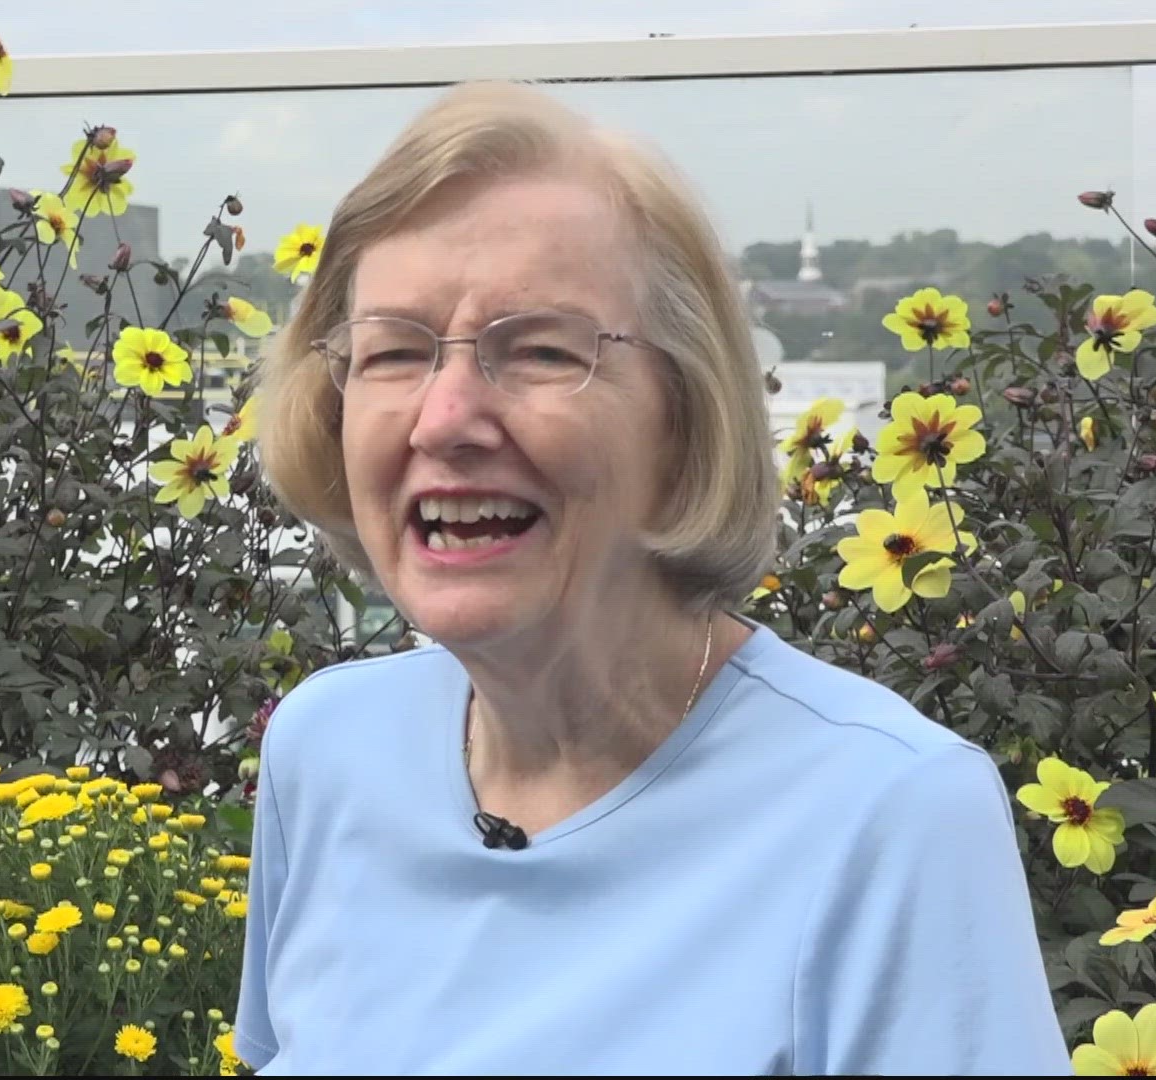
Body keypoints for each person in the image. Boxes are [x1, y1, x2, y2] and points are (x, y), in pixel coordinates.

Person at [234, 79, 1070, 1075]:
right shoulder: (328, 749)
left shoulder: (887, 818)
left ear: (683, 418)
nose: (445, 417)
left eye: (539, 349)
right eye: (394, 353)